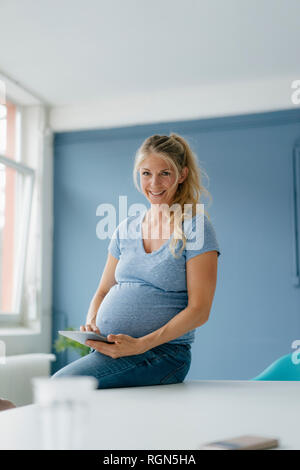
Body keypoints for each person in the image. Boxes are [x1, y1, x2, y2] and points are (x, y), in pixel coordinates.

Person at [52, 133, 221, 388]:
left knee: (62, 384)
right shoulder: (125, 228)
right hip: (112, 350)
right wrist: (92, 321)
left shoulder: (195, 226)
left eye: (165, 173)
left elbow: (200, 310)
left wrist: (140, 344)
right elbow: (103, 290)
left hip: (162, 355)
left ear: (182, 175)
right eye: (146, 173)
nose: (154, 183)